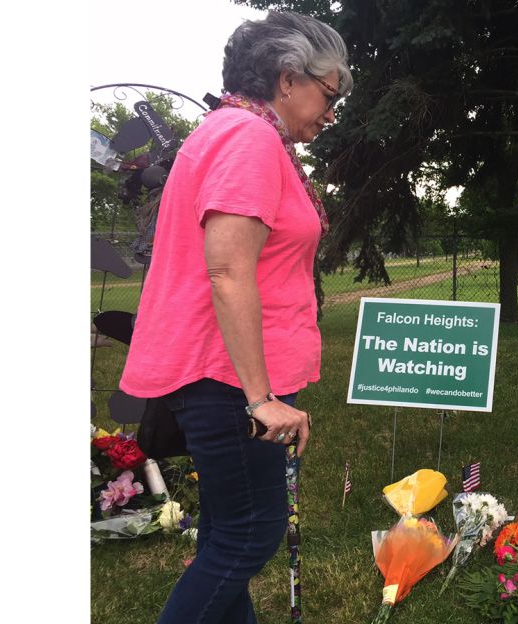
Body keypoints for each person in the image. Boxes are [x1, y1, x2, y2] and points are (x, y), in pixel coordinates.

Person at [119, 11, 351, 623]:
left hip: (226, 376)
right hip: (230, 381)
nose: (332, 112)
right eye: (330, 94)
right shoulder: (247, 139)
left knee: (228, 532)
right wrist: (259, 398)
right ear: (286, 78)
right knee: (250, 535)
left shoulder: (236, 134)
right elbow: (227, 271)